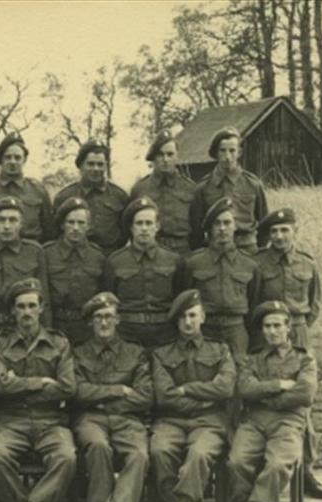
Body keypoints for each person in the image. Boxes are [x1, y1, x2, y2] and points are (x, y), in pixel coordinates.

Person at [0, 278, 77, 502]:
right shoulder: (0, 343)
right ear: (13, 311)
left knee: (66, 457)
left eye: (31, 306)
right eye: (21, 306)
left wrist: (19, 383)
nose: (26, 312)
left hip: (51, 420)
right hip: (11, 420)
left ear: (41, 309)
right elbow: (1, 386)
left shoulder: (59, 342)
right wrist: (42, 382)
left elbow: (68, 387)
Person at [150, 289, 235, 502]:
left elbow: (225, 388)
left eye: (192, 315)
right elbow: (164, 395)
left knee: (198, 456)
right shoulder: (161, 353)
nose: (188, 322)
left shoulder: (220, 350)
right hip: (171, 421)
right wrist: (203, 398)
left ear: (203, 317)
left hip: (209, 423)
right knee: (159, 451)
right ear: (176, 321)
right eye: (182, 317)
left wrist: (186, 389)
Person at [229, 300, 317, 502]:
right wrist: (279, 384)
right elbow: (244, 389)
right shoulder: (253, 358)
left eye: (277, 325)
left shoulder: (304, 359)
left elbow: (305, 394)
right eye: (267, 326)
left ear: (289, 327)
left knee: (278, 465)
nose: (272, 331)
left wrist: (266, 396)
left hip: (288, 422)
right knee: (237, 462)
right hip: (254, 422)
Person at [71, 292, 152, 502]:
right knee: (97, 446)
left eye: (108, 317)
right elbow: (78, 392)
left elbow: (145, 395)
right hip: (91, 419)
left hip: (127, 419)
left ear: (117, 320)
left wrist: (100, 397)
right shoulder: (79, 353)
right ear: (90, 322)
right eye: (98, 318)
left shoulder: (135, 352)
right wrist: (118, 390)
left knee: (139, 455)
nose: (104, 323)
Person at [253, 208, 322, 499]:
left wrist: (297, 330)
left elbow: (314, 304)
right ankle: (263, 466)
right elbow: (254, 301)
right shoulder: (259, 263)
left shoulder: (307, 263)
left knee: (303, 402)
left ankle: (305, 470)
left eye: (285, 230)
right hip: (267, 333)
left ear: (295, 231)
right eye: (274, 231)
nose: (279, 236)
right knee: (266, 393)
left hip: (297, 331)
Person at [179, 197, 261, 361]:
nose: (222, 228)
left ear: (235, 226)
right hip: (205, 329)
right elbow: (184, 299)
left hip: (236, 330)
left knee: (240, 370)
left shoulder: (250, 264)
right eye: (217, 223)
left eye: (227, 223)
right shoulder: (193, 263)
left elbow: (255, 302)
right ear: (210, 228)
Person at [0, 196, 51, 341]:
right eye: (1, 220)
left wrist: (43, 338)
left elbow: (45, 301)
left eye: (13, 220)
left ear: (21, 224)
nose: (6, 226)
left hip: (26, 330)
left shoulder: (35, 252)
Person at [104, 196, 181, 349]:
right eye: (139, 223)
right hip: (127, 334)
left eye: (149, 223)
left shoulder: (173, 260)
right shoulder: (115, 261)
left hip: (164, 333)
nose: (144, 228)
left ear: (157, 226)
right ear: (131, 227)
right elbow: (109, 300)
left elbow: (179, 299)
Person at [188, 127, 268, 254]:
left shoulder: (253, 184)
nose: (227, 156)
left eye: (232, 151)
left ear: (239, 152)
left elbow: (265, 224)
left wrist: (256, 251)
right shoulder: (204, 187)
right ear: (216, 153)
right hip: (215, 249)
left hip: (247, 249)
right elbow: (196, 229)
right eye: (222, 151)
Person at [42, 197, 106, 346]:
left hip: (87, 328)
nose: (75, 228)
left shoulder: (98, 256)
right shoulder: (47, 253)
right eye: (70, 222)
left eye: (81, 223)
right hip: (56, 325)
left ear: (88, 226)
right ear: (62, 225)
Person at [0, 132, 53, 245]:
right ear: (1, 160)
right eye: (8, 157)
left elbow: (49, 232)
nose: (12, 162)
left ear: (24, 160)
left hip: (31, 251)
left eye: (17, 158)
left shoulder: (38, 191)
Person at [52, 140, 129, 253]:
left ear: (106, 166)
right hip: (75, 256)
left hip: (109, 255)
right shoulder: (65, 196)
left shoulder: (119, 196)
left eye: (100, 164)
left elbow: (126, 231)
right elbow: (55, 232)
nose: (96, 169)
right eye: (90, 164)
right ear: (81, 165)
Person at [129, 131, 196, 257]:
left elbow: (197, 228)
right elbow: (130, 226)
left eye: (170, 154)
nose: (165, 159)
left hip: (182, 252)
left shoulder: (190, 188)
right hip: (151, 252)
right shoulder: (140, 189)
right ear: (153, 158)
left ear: (177, 156)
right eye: (160, 155)